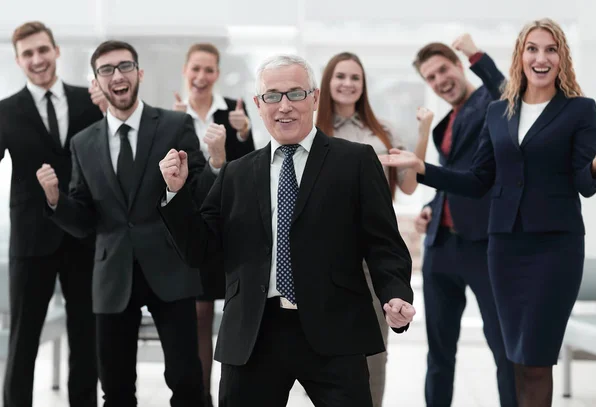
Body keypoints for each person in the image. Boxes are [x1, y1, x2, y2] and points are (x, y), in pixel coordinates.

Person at [158, 54, 415, 407]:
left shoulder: (356, 161)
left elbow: (384, 243)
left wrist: (396, 292)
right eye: (273, 96)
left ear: (314, 98)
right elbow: (199, 251)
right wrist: (176, 193)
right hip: (254, 333)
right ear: (258, 105)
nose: (285, 106)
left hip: (335, 329)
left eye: (295, 94)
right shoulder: (236, 174)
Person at [380, 19, 596, 407]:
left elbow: (584, 181)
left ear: (562, 57)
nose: (541, 57)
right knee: (513, 358)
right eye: (532, 48)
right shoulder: (499, 112)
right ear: (521, 56)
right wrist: (422, 168)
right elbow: (478, 178)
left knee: (534, 359)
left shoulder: (578, 110)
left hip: (554, 248)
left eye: (550, 49)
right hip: (502, 247)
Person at [36, 40, 222, 407]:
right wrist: (56, 202)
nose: (116, 75)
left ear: (138, 73)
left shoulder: (174, 124)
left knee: (187, 382)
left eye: (124, 67)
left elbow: (201, 192)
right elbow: (85, 218)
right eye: (106, 70)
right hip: (112, 276)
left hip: (171, 269)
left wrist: (215, 162)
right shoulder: (82, 143)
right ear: (97, 81)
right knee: (116, 390)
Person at [315, 51, 432, 407]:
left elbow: (409, 186)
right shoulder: (313, 131)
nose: (347, 84)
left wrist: (423, 131)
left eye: (355, 78)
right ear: (327, 83)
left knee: (373, 349)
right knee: (318, 349)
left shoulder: (383, 133)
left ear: (363, 86)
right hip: (323, 253)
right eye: (340, 76)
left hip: (372, 254)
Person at [0, 21, 102, 407]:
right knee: (23, 339)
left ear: (56, 51)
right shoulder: (5, 111)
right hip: (30, 239)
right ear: (18, 61)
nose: (37, 59)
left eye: (43, 50)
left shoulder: (90, 102)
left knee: (85, 337)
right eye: (28, 54)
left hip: (82, 233)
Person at [411, 34, 517, 406]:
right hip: (441, 247)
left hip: (485, 245)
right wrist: (433, 208)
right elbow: (455, 173)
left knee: (503, 348)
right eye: (430, 77)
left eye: (443, 69)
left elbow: (509, 91)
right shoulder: (444, 124)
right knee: (439, 352)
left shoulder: (492, 102)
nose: (440, 80)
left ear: (458, 66)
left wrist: (476, 54)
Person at [173, 42, 255, 406]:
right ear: (185, 71)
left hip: (231, 225)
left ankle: (232, 395)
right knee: (200, 313)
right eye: (196, 69)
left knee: (238, 314)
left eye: (209, 70)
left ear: (217, 74)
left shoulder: (234, 113)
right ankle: (203, 396)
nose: (201, 77)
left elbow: (249, 170)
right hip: (194, 226)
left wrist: (242, 135)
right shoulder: (173, 116)